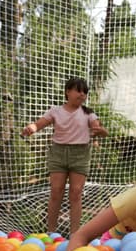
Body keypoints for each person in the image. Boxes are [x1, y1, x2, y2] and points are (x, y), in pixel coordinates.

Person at [22, 77, 108, 235]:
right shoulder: (55, 111)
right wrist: (31, 128)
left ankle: (75, 234)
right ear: (68, 91)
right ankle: (51, 232)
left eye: (85, 92)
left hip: (80, 154)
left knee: (75, 193)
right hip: (58, 153)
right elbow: (39, 124)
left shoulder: (88, 113)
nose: (82, 94)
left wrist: (100, 131)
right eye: (78, 90)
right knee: (56, 191)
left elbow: (99, 128)